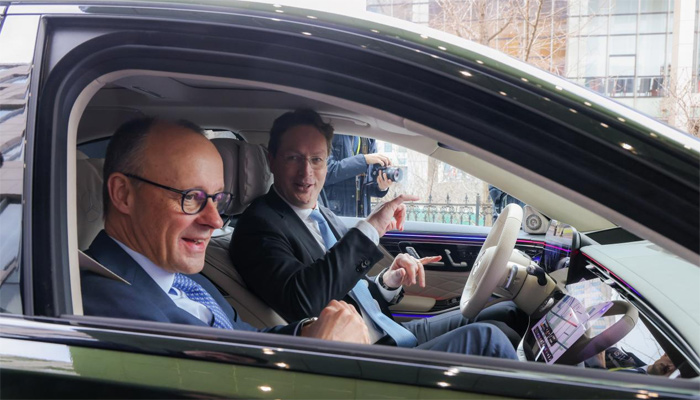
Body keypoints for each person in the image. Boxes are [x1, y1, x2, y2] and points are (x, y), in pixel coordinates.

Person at [231, 109, 521, 358]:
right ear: (272, 160)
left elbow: (347, 287)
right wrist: (370, 228)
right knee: (489, 339)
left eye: (317, 160)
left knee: (506, 314)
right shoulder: (258, 225)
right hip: (369, 355)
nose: (306, 173)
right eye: (293, 158)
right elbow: (303, 301)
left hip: (389, 329)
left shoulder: (323, 214)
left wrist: (387, 282)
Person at [81, 117, 371, 344]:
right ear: (124, 195)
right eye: (191, 197)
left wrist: (308, 331)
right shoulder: (107, 307)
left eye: (217, 198)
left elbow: (242, 340)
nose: (216, 221)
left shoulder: (180, 276)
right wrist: (320, 353)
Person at [324, 134, 393, 217]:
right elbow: (326, 171)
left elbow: (369, 185)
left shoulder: (369, 139)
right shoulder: (333, 132)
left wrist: (381, 186)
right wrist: (364, 160)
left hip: (361, 216)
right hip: (335, 216)